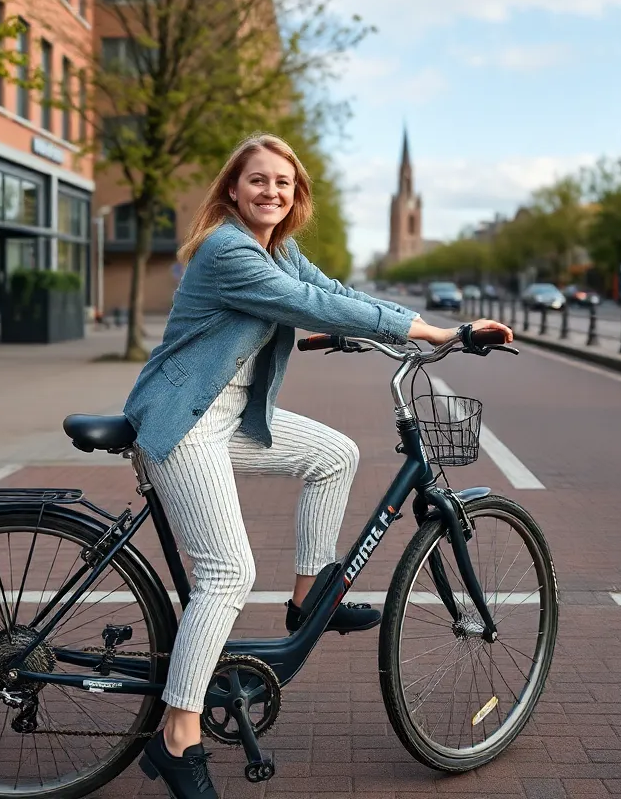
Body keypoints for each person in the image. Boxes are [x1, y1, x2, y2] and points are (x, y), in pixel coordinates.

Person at [126, 134, 513, 798]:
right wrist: (428, 330)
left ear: (295, 194)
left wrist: (347, 327)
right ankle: (177, 736)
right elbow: (313, 303)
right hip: (184, 420)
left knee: (336, 453)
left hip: (228, 419)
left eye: (283, 182)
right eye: (258, 180)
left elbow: (323, 289)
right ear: (231, 190)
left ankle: (310, 597)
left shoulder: (276, 247)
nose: (271, 191)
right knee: (228, 571)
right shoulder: (227, 247)